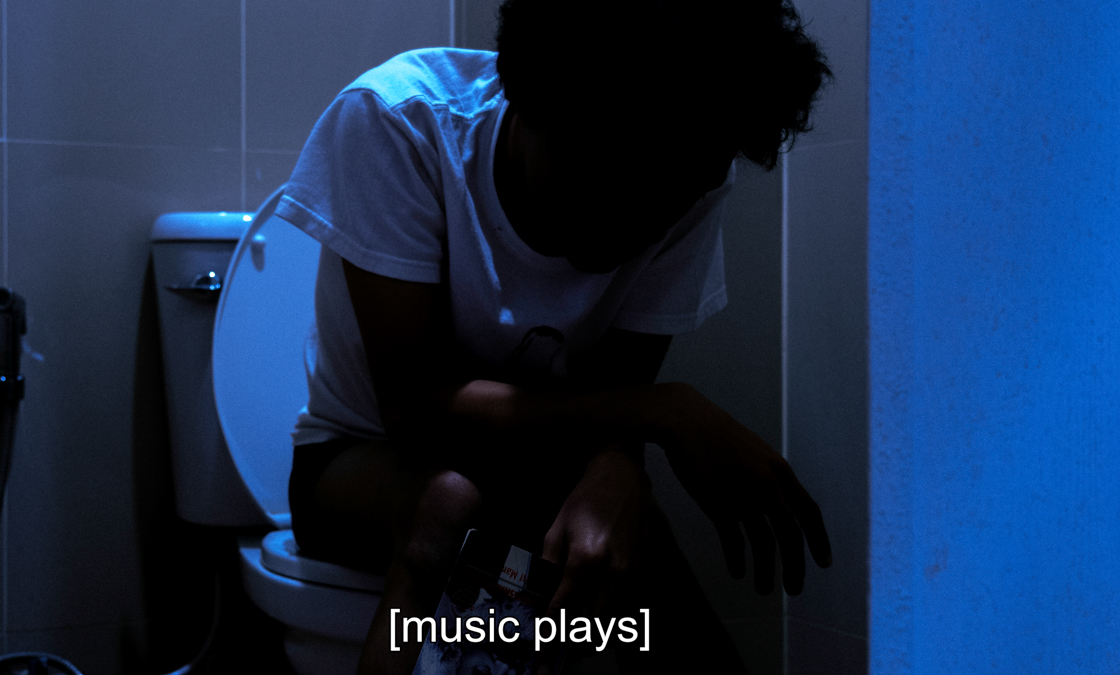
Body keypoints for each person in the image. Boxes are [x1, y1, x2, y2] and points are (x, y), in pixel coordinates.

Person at [277, 0, 833, 672]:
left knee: (653, 609)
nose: (640, 224)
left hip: (541, 463)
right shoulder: (400, 122)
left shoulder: (690, 168)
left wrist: (618, 471)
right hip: (361, 462)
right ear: (532, 110)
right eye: (611, 178)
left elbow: (617, 393)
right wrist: (666, 413)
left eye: (671, 196)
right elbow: (417, 411)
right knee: (449, 505)